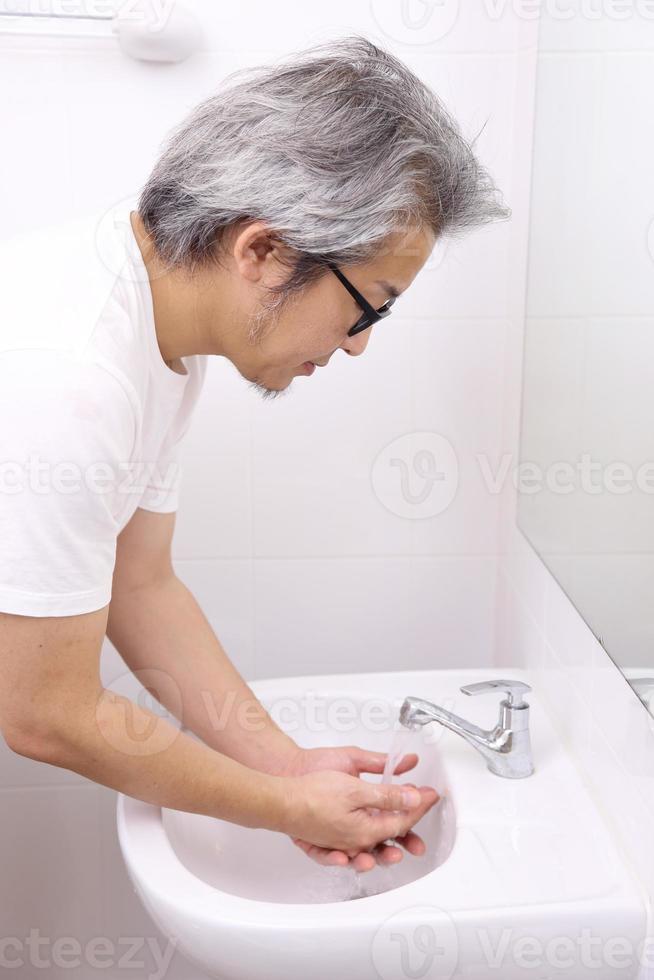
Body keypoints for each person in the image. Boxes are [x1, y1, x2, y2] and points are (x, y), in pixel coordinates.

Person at [0, 35, 509, 873]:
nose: (356, 349)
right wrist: (283, 808)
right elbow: (46, 714)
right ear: (264, 251)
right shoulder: (73, 375)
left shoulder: (155, 326)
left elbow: (141, 583)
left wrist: (285, 764)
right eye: (367, 309)